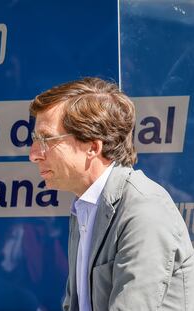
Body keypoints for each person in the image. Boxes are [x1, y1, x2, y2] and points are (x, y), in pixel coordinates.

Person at [28, 77, 194, 311]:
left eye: (46, 139)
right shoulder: (84, 205)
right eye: (36, 139)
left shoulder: (144, 210)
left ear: (93, 148)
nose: (34, 154)